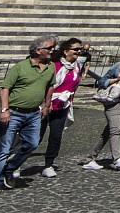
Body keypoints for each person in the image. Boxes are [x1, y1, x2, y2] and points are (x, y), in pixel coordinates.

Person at [0, 38, 57, 191]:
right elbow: (5, 88)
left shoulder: (51, 67)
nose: (53, 50)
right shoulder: (20, 67)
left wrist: (46, 105)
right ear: (38, 50)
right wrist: (5, 110)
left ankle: (9, 169)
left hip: (33, 113)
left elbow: (50, 86)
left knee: (32, 143)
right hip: (14, 112)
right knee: (3, 148)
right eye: (50, 47)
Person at [34, 39, 88, 176]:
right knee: (35, 136)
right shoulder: (54, 65)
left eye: (80, 49)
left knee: (56, 136)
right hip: (47, 104)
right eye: (75, 49)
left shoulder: (77, 66)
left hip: (62, 106)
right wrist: (46, 102)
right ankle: (16, 161)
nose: (78, 52)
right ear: (65, 51)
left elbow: (74, 86)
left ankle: (49, 164)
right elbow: (45, 84)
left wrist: (70, 100)